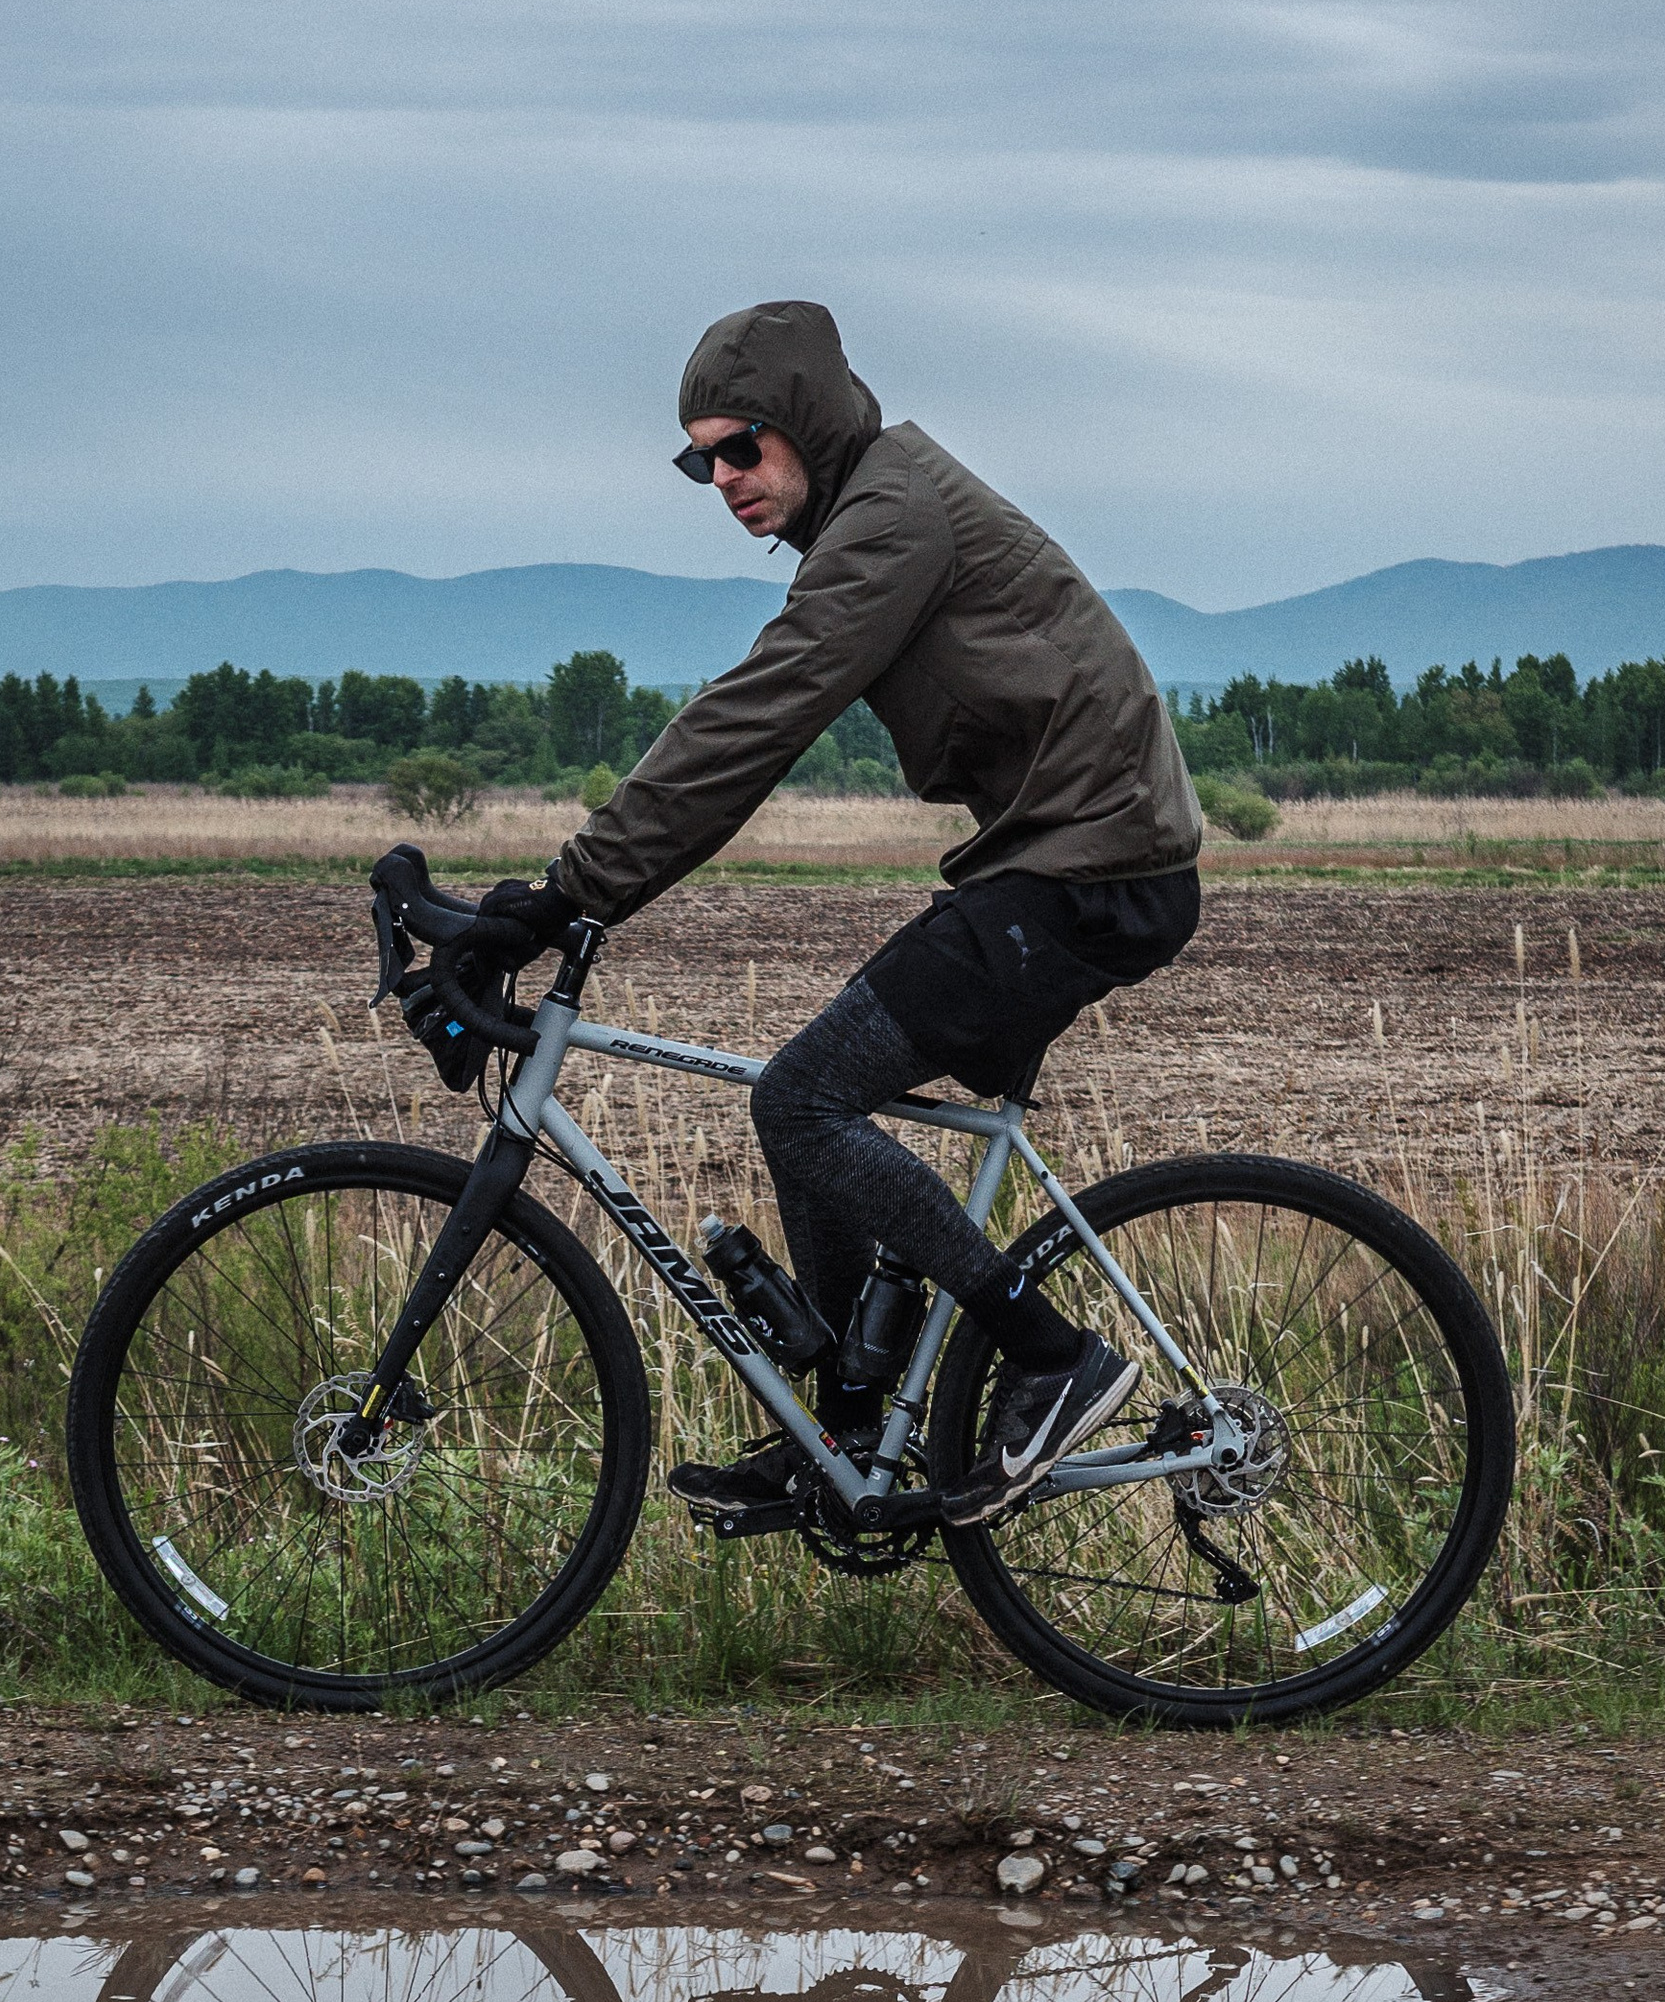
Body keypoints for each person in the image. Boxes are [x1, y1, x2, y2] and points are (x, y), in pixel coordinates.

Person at [464, 298, 1202, 1525]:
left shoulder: (891, 517)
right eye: (697, 460)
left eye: (740, 447)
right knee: (810, 1101)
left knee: (799, 1099)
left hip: (1092, 870)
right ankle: (844, 1429)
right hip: (1064, 859)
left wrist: (569, 892)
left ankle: (1050, 1358)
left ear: (803, 422)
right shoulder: (875, 507)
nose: (721, 479)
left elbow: (758, 712)